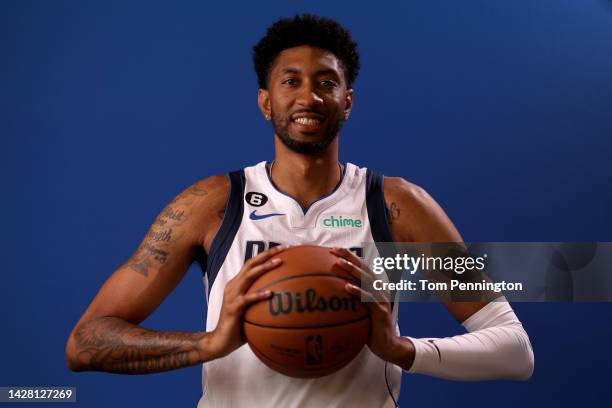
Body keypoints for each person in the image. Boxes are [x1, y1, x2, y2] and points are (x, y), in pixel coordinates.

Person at [65, 14, 534, 407]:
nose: (309, 97)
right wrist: (208, 343)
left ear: (346, 102)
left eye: (326, 82)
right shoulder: (212, 203)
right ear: (266, 103)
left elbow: (515, 350)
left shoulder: (395, 205)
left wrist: (401, 349)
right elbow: (85, 343)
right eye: (291, 81)